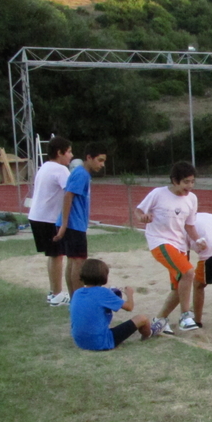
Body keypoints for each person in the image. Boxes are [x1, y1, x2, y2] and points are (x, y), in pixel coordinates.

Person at [135, 161, 206, 335]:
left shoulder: (192, 199)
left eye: (192, 182)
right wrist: (143, 217)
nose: (189, 186)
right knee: (189, 272)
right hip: (160, 242)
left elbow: (189, 226)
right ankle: (184, 316)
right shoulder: (158, 194)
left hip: (180, 244)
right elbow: (138, 210)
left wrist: (199, 240)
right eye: (186, 182)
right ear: (175, 181)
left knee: (179, 288)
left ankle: (159, 320)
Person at [54, 142, 107, 297]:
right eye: (100, 160)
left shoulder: (81, 173)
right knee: (78, 263)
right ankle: (78, 300)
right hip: (74, 226)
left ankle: (73, 299)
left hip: (74, 225)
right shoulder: (82, 174)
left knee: (72, 261)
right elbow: (68, 195)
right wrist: (64, 225)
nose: (102, 164)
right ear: (89, 157)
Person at [28, 136, 73, 306]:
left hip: (37, 216)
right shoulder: (60, 170)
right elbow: (70, 192)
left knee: (53, 255)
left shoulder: (45, 167)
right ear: (59, 153)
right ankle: (57, 294)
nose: (71, 155)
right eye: (68, 151)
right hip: (48, 219)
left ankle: (53, 291)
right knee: (57, 255)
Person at [69, 258, 151, 350]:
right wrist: (129, 294)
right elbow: (129, 307)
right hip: (100, 342)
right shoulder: (104, 292)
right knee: (142, 319)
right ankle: (149, 335)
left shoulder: (77, 292)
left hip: (80, 342)